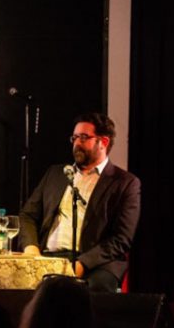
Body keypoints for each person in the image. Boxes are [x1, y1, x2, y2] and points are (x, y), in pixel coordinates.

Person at [18, 112, 140, 292]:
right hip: (48, 256)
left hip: (96, 263)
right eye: (74, 138)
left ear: (103, 142)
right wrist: (31, 248)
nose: (77, 143)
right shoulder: (56, 174)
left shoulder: (124, 183)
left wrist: (83, 263)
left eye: (84, 138)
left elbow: (121, 239)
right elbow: (27, 215)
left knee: (94, 289)